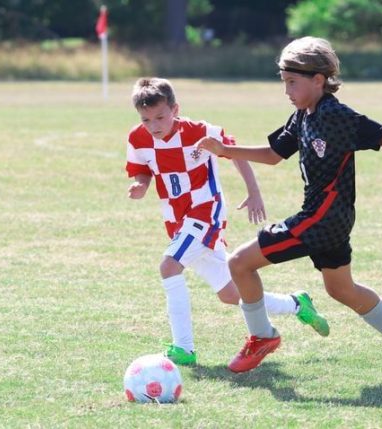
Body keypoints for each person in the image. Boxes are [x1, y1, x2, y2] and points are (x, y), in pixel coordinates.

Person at [197, 37, 382, 379]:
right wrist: (224, 151)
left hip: (321, 219)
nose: (287, 90)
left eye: (292, 82)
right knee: (341, 289)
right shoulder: (302, 115)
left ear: (318, 80)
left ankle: (262, 336)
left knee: (239, 263)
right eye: (284, 82)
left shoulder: (336, 115)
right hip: (330, 219)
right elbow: (274, 154)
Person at [126, 77, 330, 366]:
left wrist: (254, 192)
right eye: (146, 120)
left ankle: (184, 348)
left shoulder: (200, 131)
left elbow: (233, 152)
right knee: (230, 293)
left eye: (160, 117)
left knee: (169, 266)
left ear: (175, 109)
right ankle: (296, 304)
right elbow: (142, 169)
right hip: (176, 219)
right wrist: (141, 185)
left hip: (205, 212)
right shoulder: (138, 138)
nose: (154, 125)